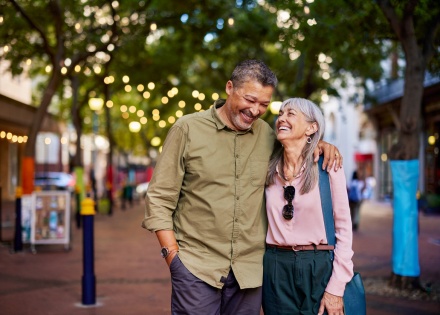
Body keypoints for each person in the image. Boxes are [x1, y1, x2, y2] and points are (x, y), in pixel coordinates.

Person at [142, 60, 343, 315]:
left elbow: (298, 145)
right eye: (250, 99)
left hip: (249, 274)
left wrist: (321, 145)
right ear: (229, 88)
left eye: (264, 105)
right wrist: (173, 257)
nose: (255, 110)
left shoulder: (268, 136)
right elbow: (159, 198)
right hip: (196, 267)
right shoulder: (187, 129)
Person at [263, 98, 353, 315]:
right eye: (281, 113)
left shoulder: (327, 166)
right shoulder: (266, 166)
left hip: (318, 264)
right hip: (276, 265)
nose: (281, 118)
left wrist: (336, 288)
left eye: (291, 114)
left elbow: (344, 230)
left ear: (312, 127)